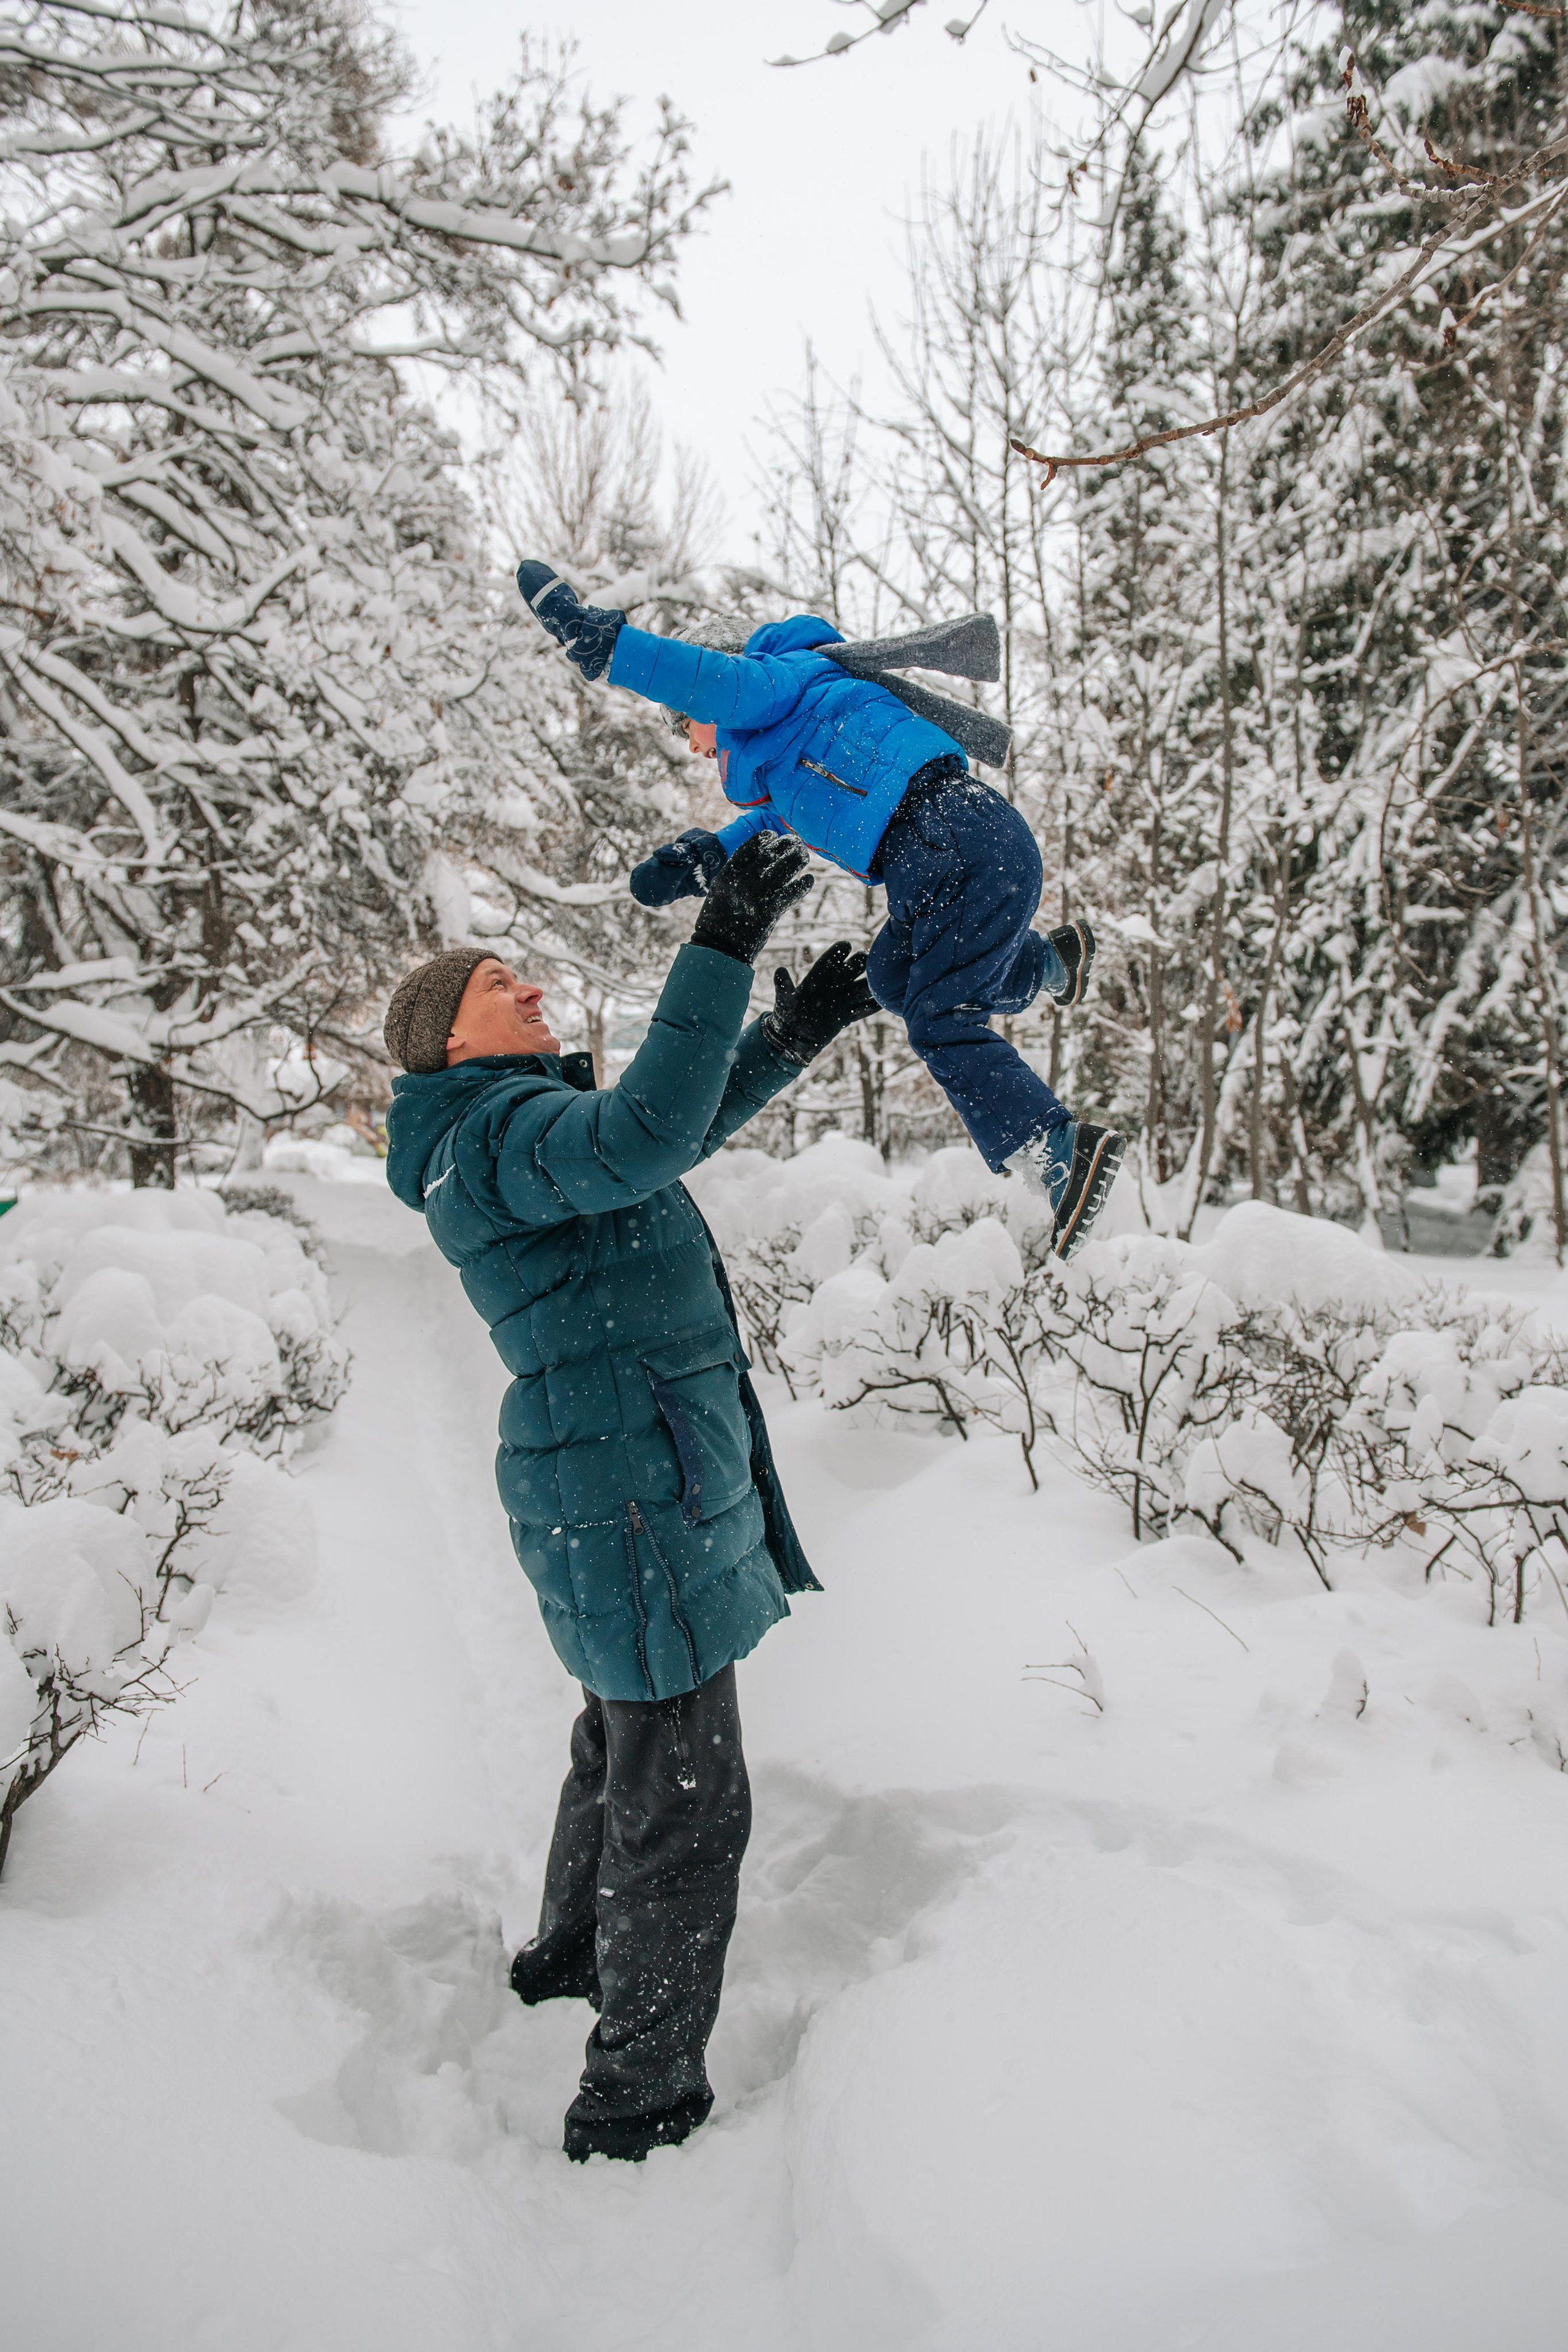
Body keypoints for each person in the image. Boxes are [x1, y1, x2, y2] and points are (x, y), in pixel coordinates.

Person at [382, 834, 880, 2163]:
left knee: (625, 1740)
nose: (531, 990)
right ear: (445, 1038)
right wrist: (715, 947)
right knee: (687, 1797)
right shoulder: (495, 1139)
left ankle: (571, 1954)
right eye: (501, 985)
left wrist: (783, 1041)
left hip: (619, 1482)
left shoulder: (501, 1140)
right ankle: (638, 2096)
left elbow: (663, 1138)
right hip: (633, 1496)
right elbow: (643, 1129)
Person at [514, 562, 1125, 1260]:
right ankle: (1048, 964)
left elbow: (717, 682)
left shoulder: (781, 683)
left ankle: (1055, 1149)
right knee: (895, 978)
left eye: (685, 724)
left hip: (955, 837)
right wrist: (702, 858)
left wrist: (610, 650)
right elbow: (771, 821)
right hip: (936, 859)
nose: (689, 743)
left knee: (940, 1018)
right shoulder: (786, 747)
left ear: (711, 690)